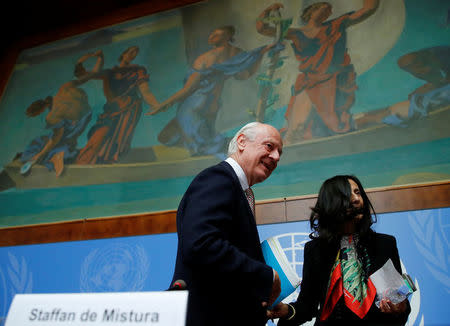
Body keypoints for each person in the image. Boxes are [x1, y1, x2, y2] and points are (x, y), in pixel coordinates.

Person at [170, 122, 283, 326]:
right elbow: (201, 244)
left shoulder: (240, 190)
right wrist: (266, 276)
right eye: (269, 146)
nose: (276, 157)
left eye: (279, 153)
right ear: (241, 142)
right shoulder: (218, 179)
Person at [267, 175, 411, 325]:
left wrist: (400, 308)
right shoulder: (315, 250)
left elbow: (400, 304)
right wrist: (287, 310)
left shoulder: (385, 244)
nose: (356, 199)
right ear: (331, 203)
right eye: (348, 195)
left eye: (358, 192)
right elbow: (307, 307)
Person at [257, 1, 379, 143]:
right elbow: (262, 28)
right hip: (310, 80)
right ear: (311, 12)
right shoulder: (297, 33)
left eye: (329, 11)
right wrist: (268, 11)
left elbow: (368, 9)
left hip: (333, 80)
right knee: (296, 127)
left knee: (334, 123)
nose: (327, 12)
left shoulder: (336, 25)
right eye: (323, 9)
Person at [147, 26, 276, 159]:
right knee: (203, 143)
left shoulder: (204, 58)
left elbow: (188, 89)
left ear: (227, 36)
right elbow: (244, 75)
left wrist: (164, 104)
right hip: (212, 105)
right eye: (211, 34)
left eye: (216, 34)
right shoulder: (237, 54)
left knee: (172, 139)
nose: (211, 37)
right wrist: (260, 55)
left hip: (194, 105)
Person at [18, 53, 102, 176]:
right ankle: (58, 153)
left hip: (75, 123)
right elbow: (94, 72)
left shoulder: (52, 117)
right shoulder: (65, 87)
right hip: (86, 115)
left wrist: (38, 156)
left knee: (51, 142)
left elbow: (55, 139)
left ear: (41, 110)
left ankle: (56, 155)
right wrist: (100, 58)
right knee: (63, 136)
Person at [76, 46, 159, 164]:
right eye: (131, 52)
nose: (133, 55)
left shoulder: (138, 70)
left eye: (136, 53)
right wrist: (98, 58)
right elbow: (87, 75)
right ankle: (86, 161)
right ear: (123, 54)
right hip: (112, 108)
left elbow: (145, 91)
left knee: (119, 137)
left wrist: (156, 105)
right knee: (100, 133)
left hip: (129, 107)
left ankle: (108, 160)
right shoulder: (110, 72)